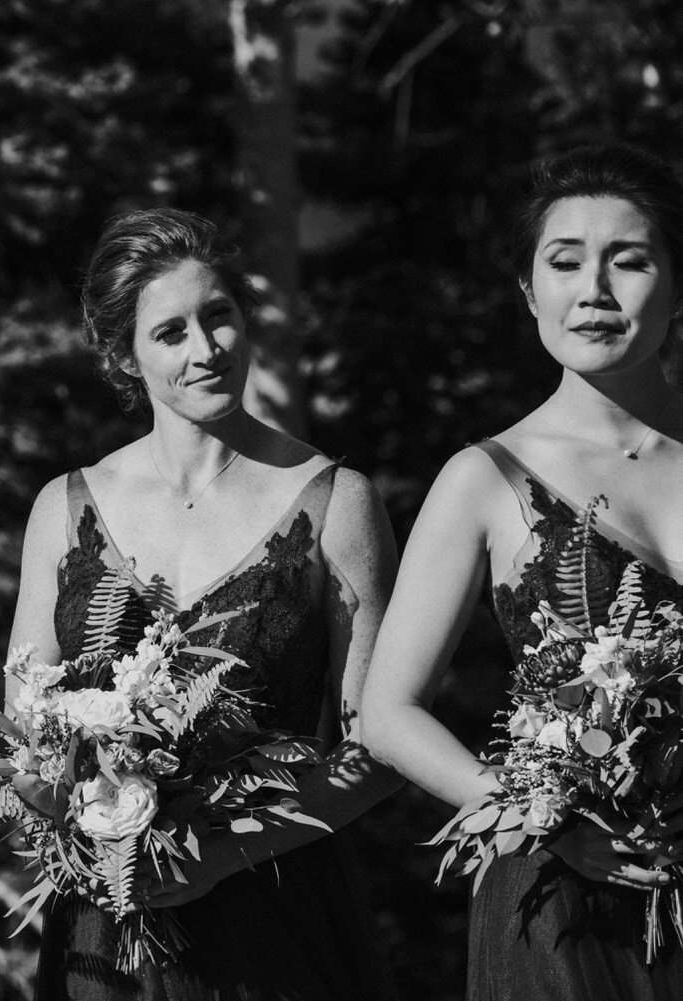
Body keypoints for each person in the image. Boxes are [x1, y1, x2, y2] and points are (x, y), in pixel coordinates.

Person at [9, 208, 403, 1001]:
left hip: (279, 919)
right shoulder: (64, 506)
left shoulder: (338, 502)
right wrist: (77, 810)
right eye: (172, 333)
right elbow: (24, 731)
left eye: (219, 317)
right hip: (108, 925)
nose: (206, 350)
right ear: (124, 354)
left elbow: (380, 748)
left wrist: (219, 853)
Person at [362, 145, 683, 999]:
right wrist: (541, 819)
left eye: (632, 260)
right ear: (528, 293)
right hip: (560, 911)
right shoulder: (483, 476)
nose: (596, 290)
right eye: (566, 261)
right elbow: (385, 714)